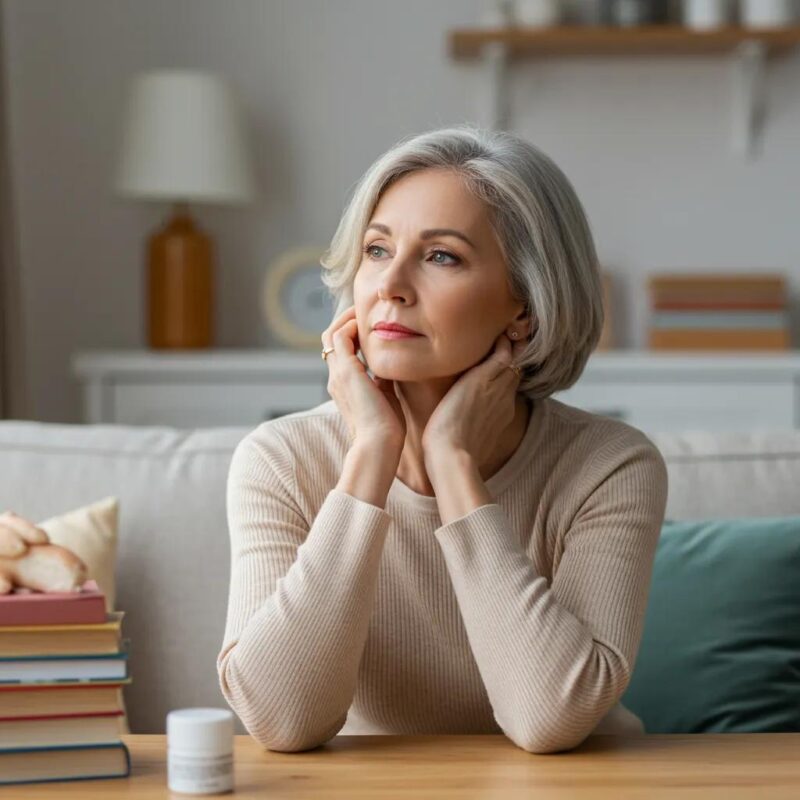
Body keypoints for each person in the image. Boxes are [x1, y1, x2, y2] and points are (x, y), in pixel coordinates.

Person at [216, 124, 668, 755]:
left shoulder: (610, 466)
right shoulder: (279, 461)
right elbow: (281, 720)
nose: (390, 285)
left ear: (525, 307)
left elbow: (549, 719)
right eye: (376, 250)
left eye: (440, 257)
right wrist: (372, 450)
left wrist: (453, 465)